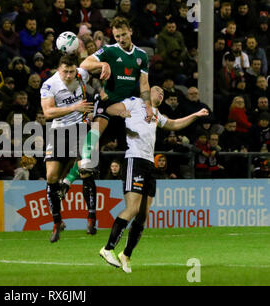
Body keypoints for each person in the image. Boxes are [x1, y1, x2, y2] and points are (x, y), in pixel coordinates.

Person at [99, 86, 209, 273]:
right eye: (158, 91)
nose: (161, 94)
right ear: (148, 93)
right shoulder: (135, 103)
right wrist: (121, 112)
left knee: (143, 215)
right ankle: (108, 248)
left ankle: (126, 254)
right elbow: (109, 109)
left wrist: (195, 115)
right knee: (133, 208)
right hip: (134, 159)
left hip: (149, 163)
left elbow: (173, 124)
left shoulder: (156, 113)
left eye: (163, 94)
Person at [60, 17, 154, 197]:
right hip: (108, 102)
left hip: (128, 108)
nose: (121, 39)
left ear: (131, 31)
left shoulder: (141, 56)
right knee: (94, 138)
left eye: (124, 35)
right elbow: (84, 64)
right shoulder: (110, 51)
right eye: (117, 36)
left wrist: (148, 106)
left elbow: (144, 84)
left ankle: (142, 182)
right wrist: (102, 63)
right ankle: (67, 181)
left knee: (138, 142)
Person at [40, 54, 96, 243]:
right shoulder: (49, 85)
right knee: (51, 177)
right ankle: (57, 222)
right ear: (58, 70)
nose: (70, 75)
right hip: (59, 131)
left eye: (72, 71)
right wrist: (75, 107)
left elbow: (94, 68)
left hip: (80, 129)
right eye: (66, 71)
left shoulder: (82, 74)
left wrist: (103, 69)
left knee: (86, 170)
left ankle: (91, 219)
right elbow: (48, 113)